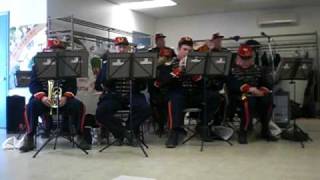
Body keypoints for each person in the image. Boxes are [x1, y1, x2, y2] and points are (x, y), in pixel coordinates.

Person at [20, 42, 89, 152]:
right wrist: (42, 97)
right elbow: (33, 85)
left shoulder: (68, 67)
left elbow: (72, 86)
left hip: (63, 100)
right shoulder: (37, 66)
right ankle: (29, 137)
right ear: (48, 51)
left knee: (78, 106)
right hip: (44, 100)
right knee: (31, 106)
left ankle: (78, 135)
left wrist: (65, 97)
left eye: (59, 50)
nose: (56, 52)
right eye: (53, 49)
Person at [157, 37, 220, 148]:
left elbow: (206, 83)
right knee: (174, 98)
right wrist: (179, 70)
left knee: (214, 96)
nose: (187, 53)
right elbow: (163, 81)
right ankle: (173, 132)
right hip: (178, 95)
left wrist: (197, 77)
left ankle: (203, 125)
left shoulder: (198, 64)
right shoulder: (169, 63)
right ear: (178, 49)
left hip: (193, 95)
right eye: (185, 49)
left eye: (190, 51)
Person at [95, 37, 151, 146]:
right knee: (100, 113)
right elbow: (98, 85)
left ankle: (129, 129)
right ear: (115, 48)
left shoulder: (136, 63)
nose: (121, 49)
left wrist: (138, 78)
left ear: (128, 48)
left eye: (124, 47)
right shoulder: (107, 64)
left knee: (145, 109)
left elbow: (143, 86)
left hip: (132, 94)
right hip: (114, 96)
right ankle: (123, 133)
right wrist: (110, 77)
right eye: (119, 47)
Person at [227, 44, 278, 144]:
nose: (245, 61)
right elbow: (232, 85)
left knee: (268, 98)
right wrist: (250, 89)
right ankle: (243, 131)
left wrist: (262, 91)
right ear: (238, 57)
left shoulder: (258, 69)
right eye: (243, 58)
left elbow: (266, 84)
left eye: (248, 58)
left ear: (252, 57)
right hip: (239, 97)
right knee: (247, 101)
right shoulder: (231, 70)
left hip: (257, 95)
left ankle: (265, 129)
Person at [149, 33, 176, 136]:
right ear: (156, 41)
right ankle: (159, 125)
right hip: (154, 84)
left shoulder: (170, 51)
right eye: (160, 40)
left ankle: (166, 125)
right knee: (155, 105)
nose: (162, 41)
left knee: (166, 104)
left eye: (163, 40)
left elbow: (174, 64)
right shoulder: (151, 52)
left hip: (167, 82)